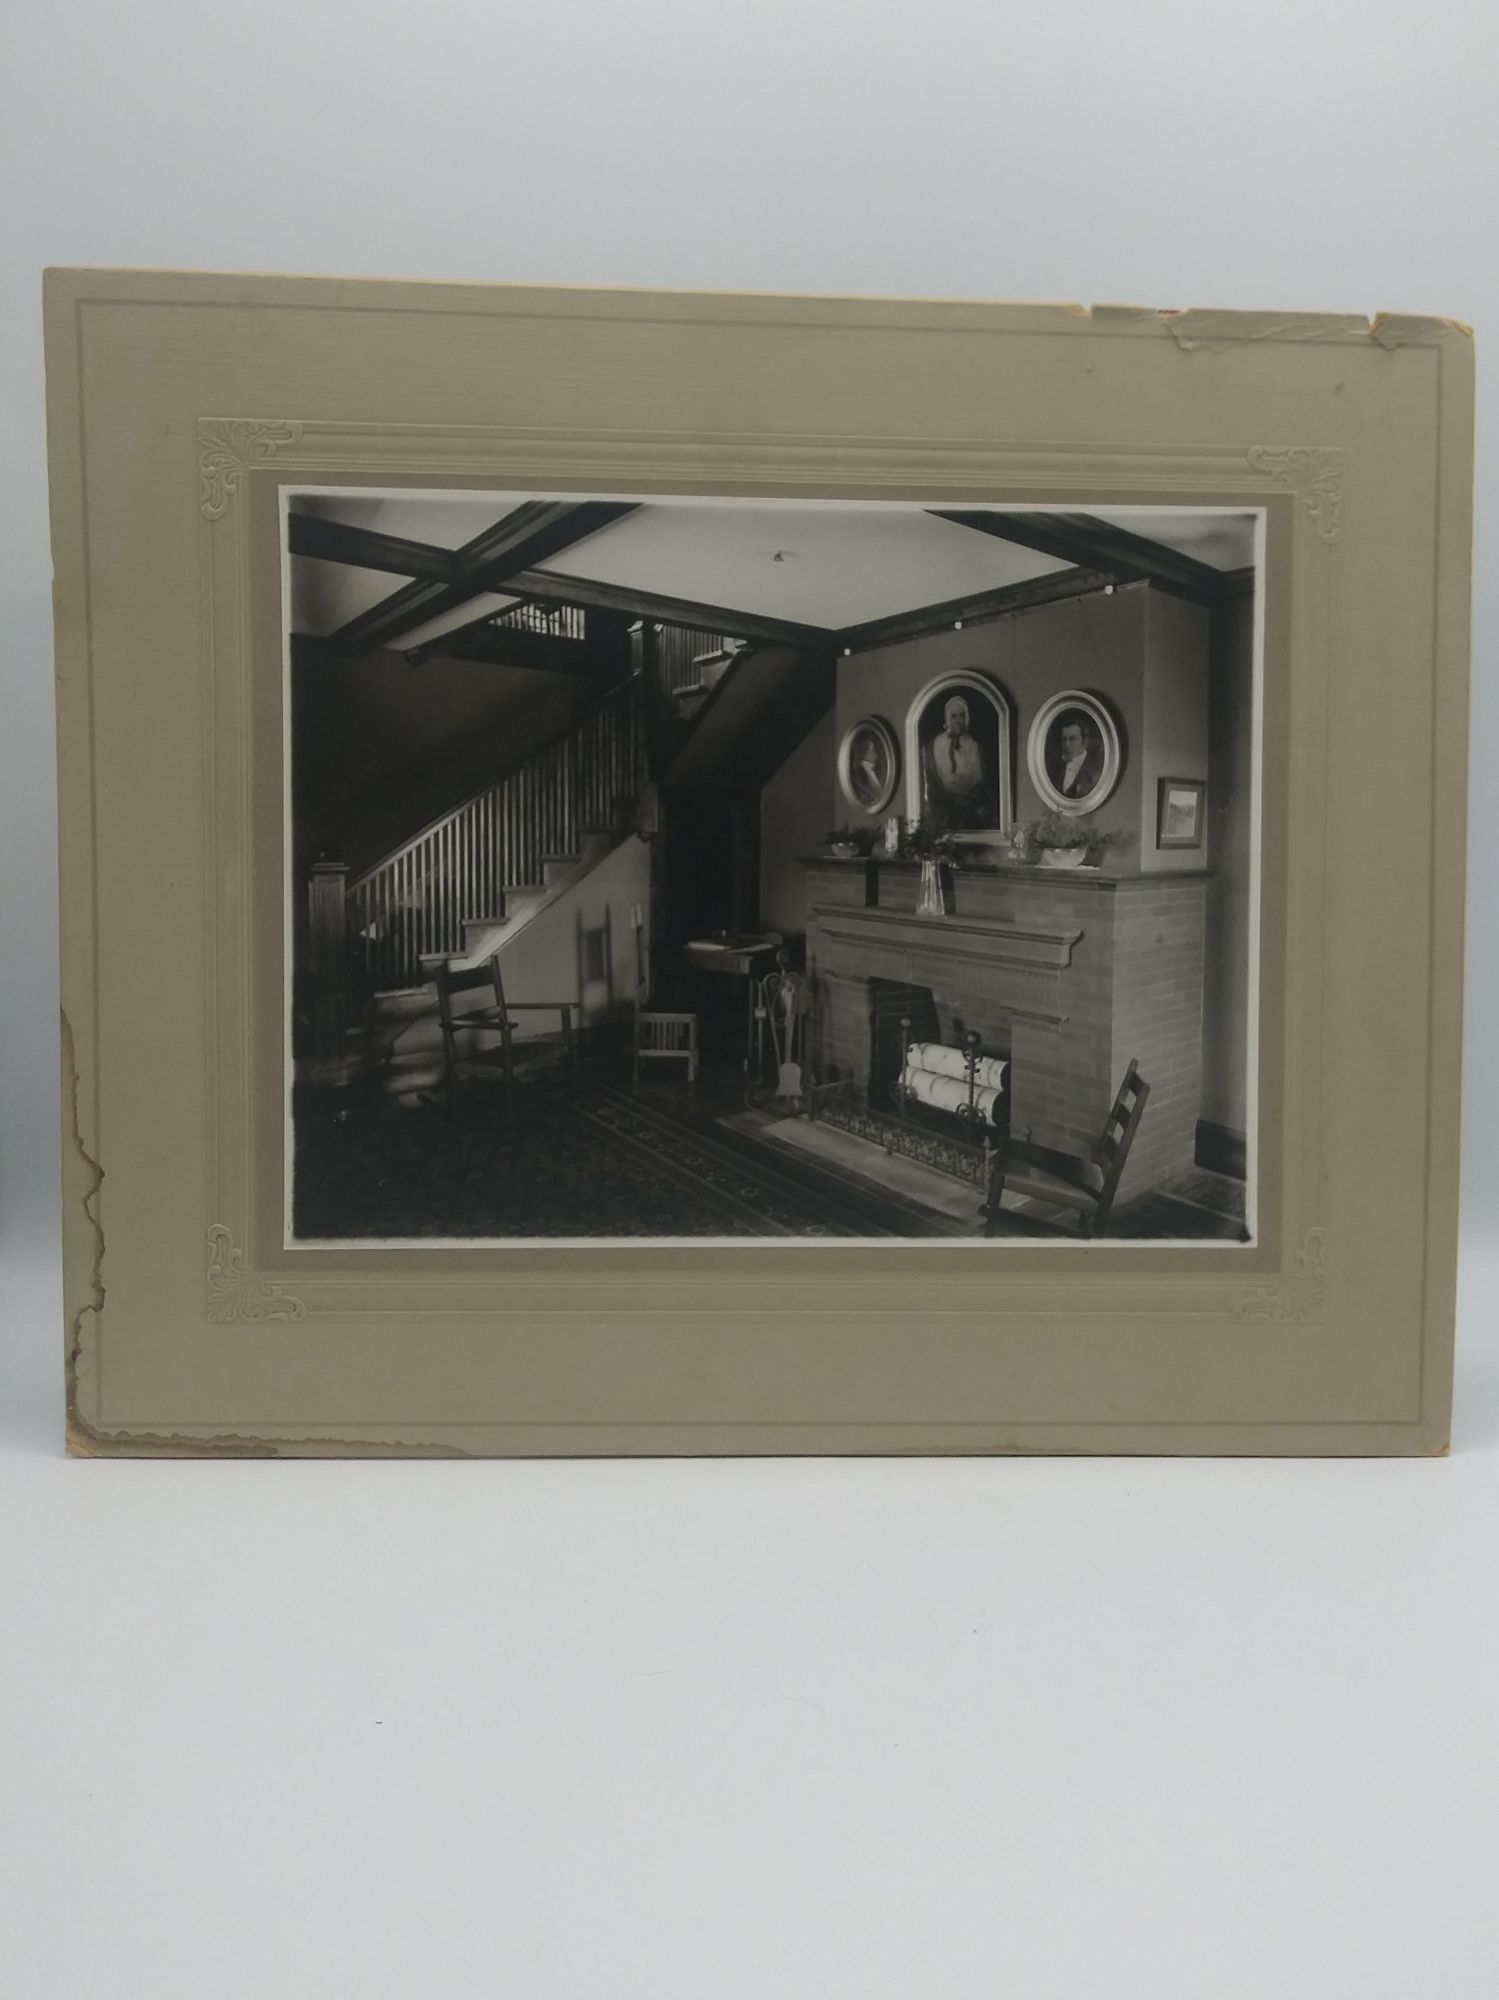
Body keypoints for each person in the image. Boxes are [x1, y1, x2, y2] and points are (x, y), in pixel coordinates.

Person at [923, 695, 992, 828]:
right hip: (942, 805)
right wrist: (953, 799)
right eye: (953, 716)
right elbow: (932, 780)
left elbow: (978, 778)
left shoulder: (974, 745)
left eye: (962, 716)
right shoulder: (935, 744)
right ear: (947, 719)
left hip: (969, 806)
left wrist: (972, 799)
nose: (958, 721)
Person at [1052, 714, 1104, 802]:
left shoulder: (1096, 769)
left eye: (1072, 739)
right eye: (1064, 739)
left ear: (1085, 741)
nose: (1067, 745)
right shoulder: (1055, 768)